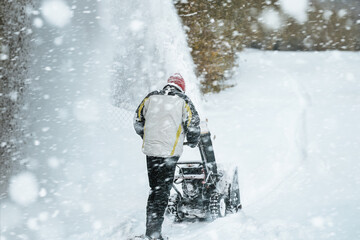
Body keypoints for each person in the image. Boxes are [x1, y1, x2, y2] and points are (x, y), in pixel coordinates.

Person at [134, 73, 201, 240]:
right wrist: (193, 141)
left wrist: (147, 136)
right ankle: (154, 235)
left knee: (155, 190)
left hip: (151, 151)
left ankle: (150, 232)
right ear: (181, 87)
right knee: (162, 192)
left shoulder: (151, 97)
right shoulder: (183, 100)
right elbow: (193, 124)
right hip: (169, 153)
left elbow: (137, 120)